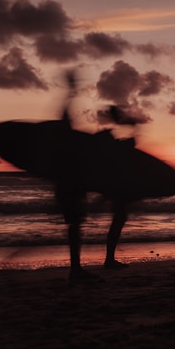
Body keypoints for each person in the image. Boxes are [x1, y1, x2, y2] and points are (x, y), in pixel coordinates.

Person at [53, 71, 132, 282]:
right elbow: (65, 118)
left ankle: (79, 269)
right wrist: (70, 92)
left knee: (76, 225)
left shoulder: (72, 147)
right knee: (76, 225)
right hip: (69, 185)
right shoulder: (70, 145)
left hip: (72, 184)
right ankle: (77, 270)